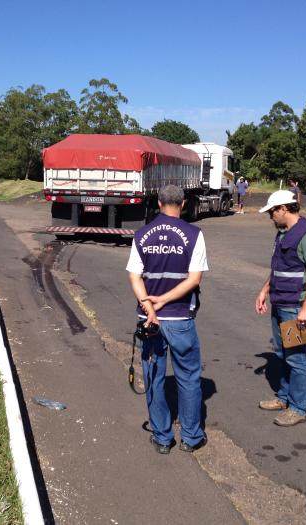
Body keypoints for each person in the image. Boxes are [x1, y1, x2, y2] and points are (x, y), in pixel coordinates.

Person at [127, 184, 209, 454]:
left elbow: (135, 277)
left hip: (150, 322)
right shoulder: (194, 234)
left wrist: (150, 306)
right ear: (183, 203)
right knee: (188, 376)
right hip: (180, 317)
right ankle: (191, 437)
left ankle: (162, 438)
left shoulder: (141, 235)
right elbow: (194, 279)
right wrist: (164, 302)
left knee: (154, 377)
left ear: (159, 203)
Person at [254, 190, 306, 427]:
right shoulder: (283, 233)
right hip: (280, 301)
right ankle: (284, 398)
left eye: (272, 211)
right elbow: (278, 268)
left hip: (295, 306)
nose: (270, 216)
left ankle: (298, 408)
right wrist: (264, 290)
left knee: (297, 358)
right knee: (282, 354)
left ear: (284, 209)